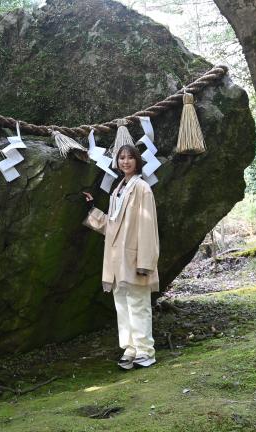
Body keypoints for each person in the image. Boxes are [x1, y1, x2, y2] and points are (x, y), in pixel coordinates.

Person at [82, 144, 160, 370]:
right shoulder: (119, 189)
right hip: (117, 258)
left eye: (130, 158)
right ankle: (130, 349)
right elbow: (113, 226)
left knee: (138, 304)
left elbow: (147, 226)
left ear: (137, 161)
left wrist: (146, 262)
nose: (125, 162)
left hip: (135, 258)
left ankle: (146, 351)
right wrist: (92, 209)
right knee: (122, 306)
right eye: (122, 158)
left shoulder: (142, 188)